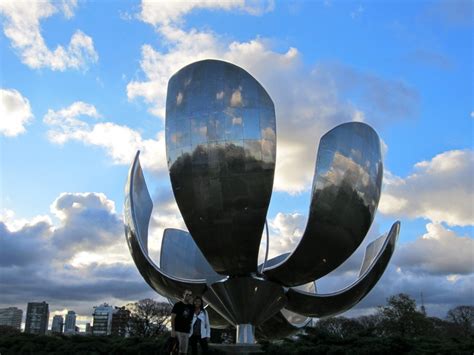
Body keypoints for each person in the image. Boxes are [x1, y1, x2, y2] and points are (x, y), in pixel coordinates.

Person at [171, 290, 194, 355]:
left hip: (186, 331)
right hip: (177, 331)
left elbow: (191, 319)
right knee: (175, 350)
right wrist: (173, 330)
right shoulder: (177, 305)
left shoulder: (191, 307)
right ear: (183, 295)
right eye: (187, 294)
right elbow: (173, 318)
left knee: (183, 352)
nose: (188, 296)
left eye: (190, 295)